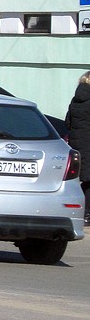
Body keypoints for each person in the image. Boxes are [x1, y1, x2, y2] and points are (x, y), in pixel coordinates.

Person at [63, 70, 90, 225]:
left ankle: (80, 212)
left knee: (80, 178)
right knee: (88, 181)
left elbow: (68, 123)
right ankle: (87, 214)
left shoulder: (75, 100)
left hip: (77, 143)